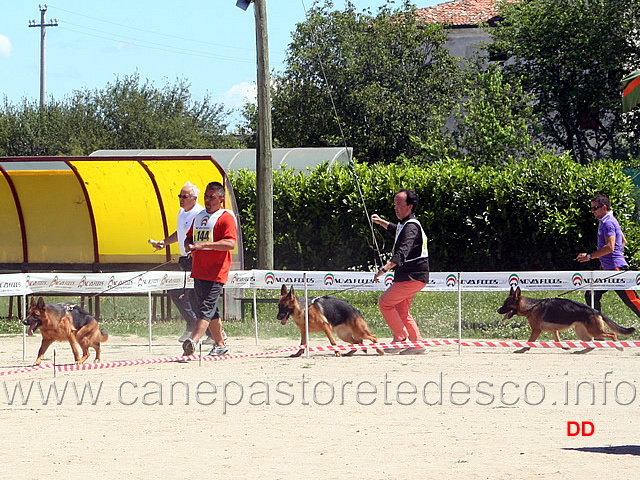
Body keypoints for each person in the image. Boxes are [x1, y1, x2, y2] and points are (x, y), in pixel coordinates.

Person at [149, 181, 215, 344]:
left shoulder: (200, 213)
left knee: (197, 296)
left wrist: (195, 252)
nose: (181, 199)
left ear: (194, 198)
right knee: (177, 292)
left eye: (184, 196)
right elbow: (180, 233)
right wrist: (163, 242)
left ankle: (213, 332)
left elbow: (201, 237)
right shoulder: (181, 212)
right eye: (180, 196)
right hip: (185, 260)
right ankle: (194, 325)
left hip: (196, 260)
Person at [182, 181, 237, 357]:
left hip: (216, 272)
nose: (207, 200)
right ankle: (220, 345)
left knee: (205, 308)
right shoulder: (199, 217)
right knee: (210, 310)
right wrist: (189, 246)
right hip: (199, 271)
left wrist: (205, 245)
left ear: (221, 199)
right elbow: (188, 237)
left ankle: (193, 340)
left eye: (211, 197)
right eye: (206, 196)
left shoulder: (226, 217)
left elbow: (230, 243)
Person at [371, 189, 429, 355]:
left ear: (410, 206)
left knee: (385, 303)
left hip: (412, 276)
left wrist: (384, 269)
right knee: (402, 311)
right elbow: (396, 230)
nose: (395, 208)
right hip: (412, 276)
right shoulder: (406, 224)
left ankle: (400, 337)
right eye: (395, 204)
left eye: (399, 204)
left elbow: (403, 251)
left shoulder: (411, 227)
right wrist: (381, 222)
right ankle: (417, 345)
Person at [576, 193, 640, 318]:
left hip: (616, 269)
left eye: (595, 208)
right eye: (592, 208)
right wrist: (605, 261)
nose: (593, 211)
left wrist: (590, 256)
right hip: (610, 268)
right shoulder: (607, 221)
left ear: (604, 207)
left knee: (632, 300)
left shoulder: (608, 223)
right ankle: (598, 328)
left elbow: (610, 247)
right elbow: (623, 241)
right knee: (591, 294)